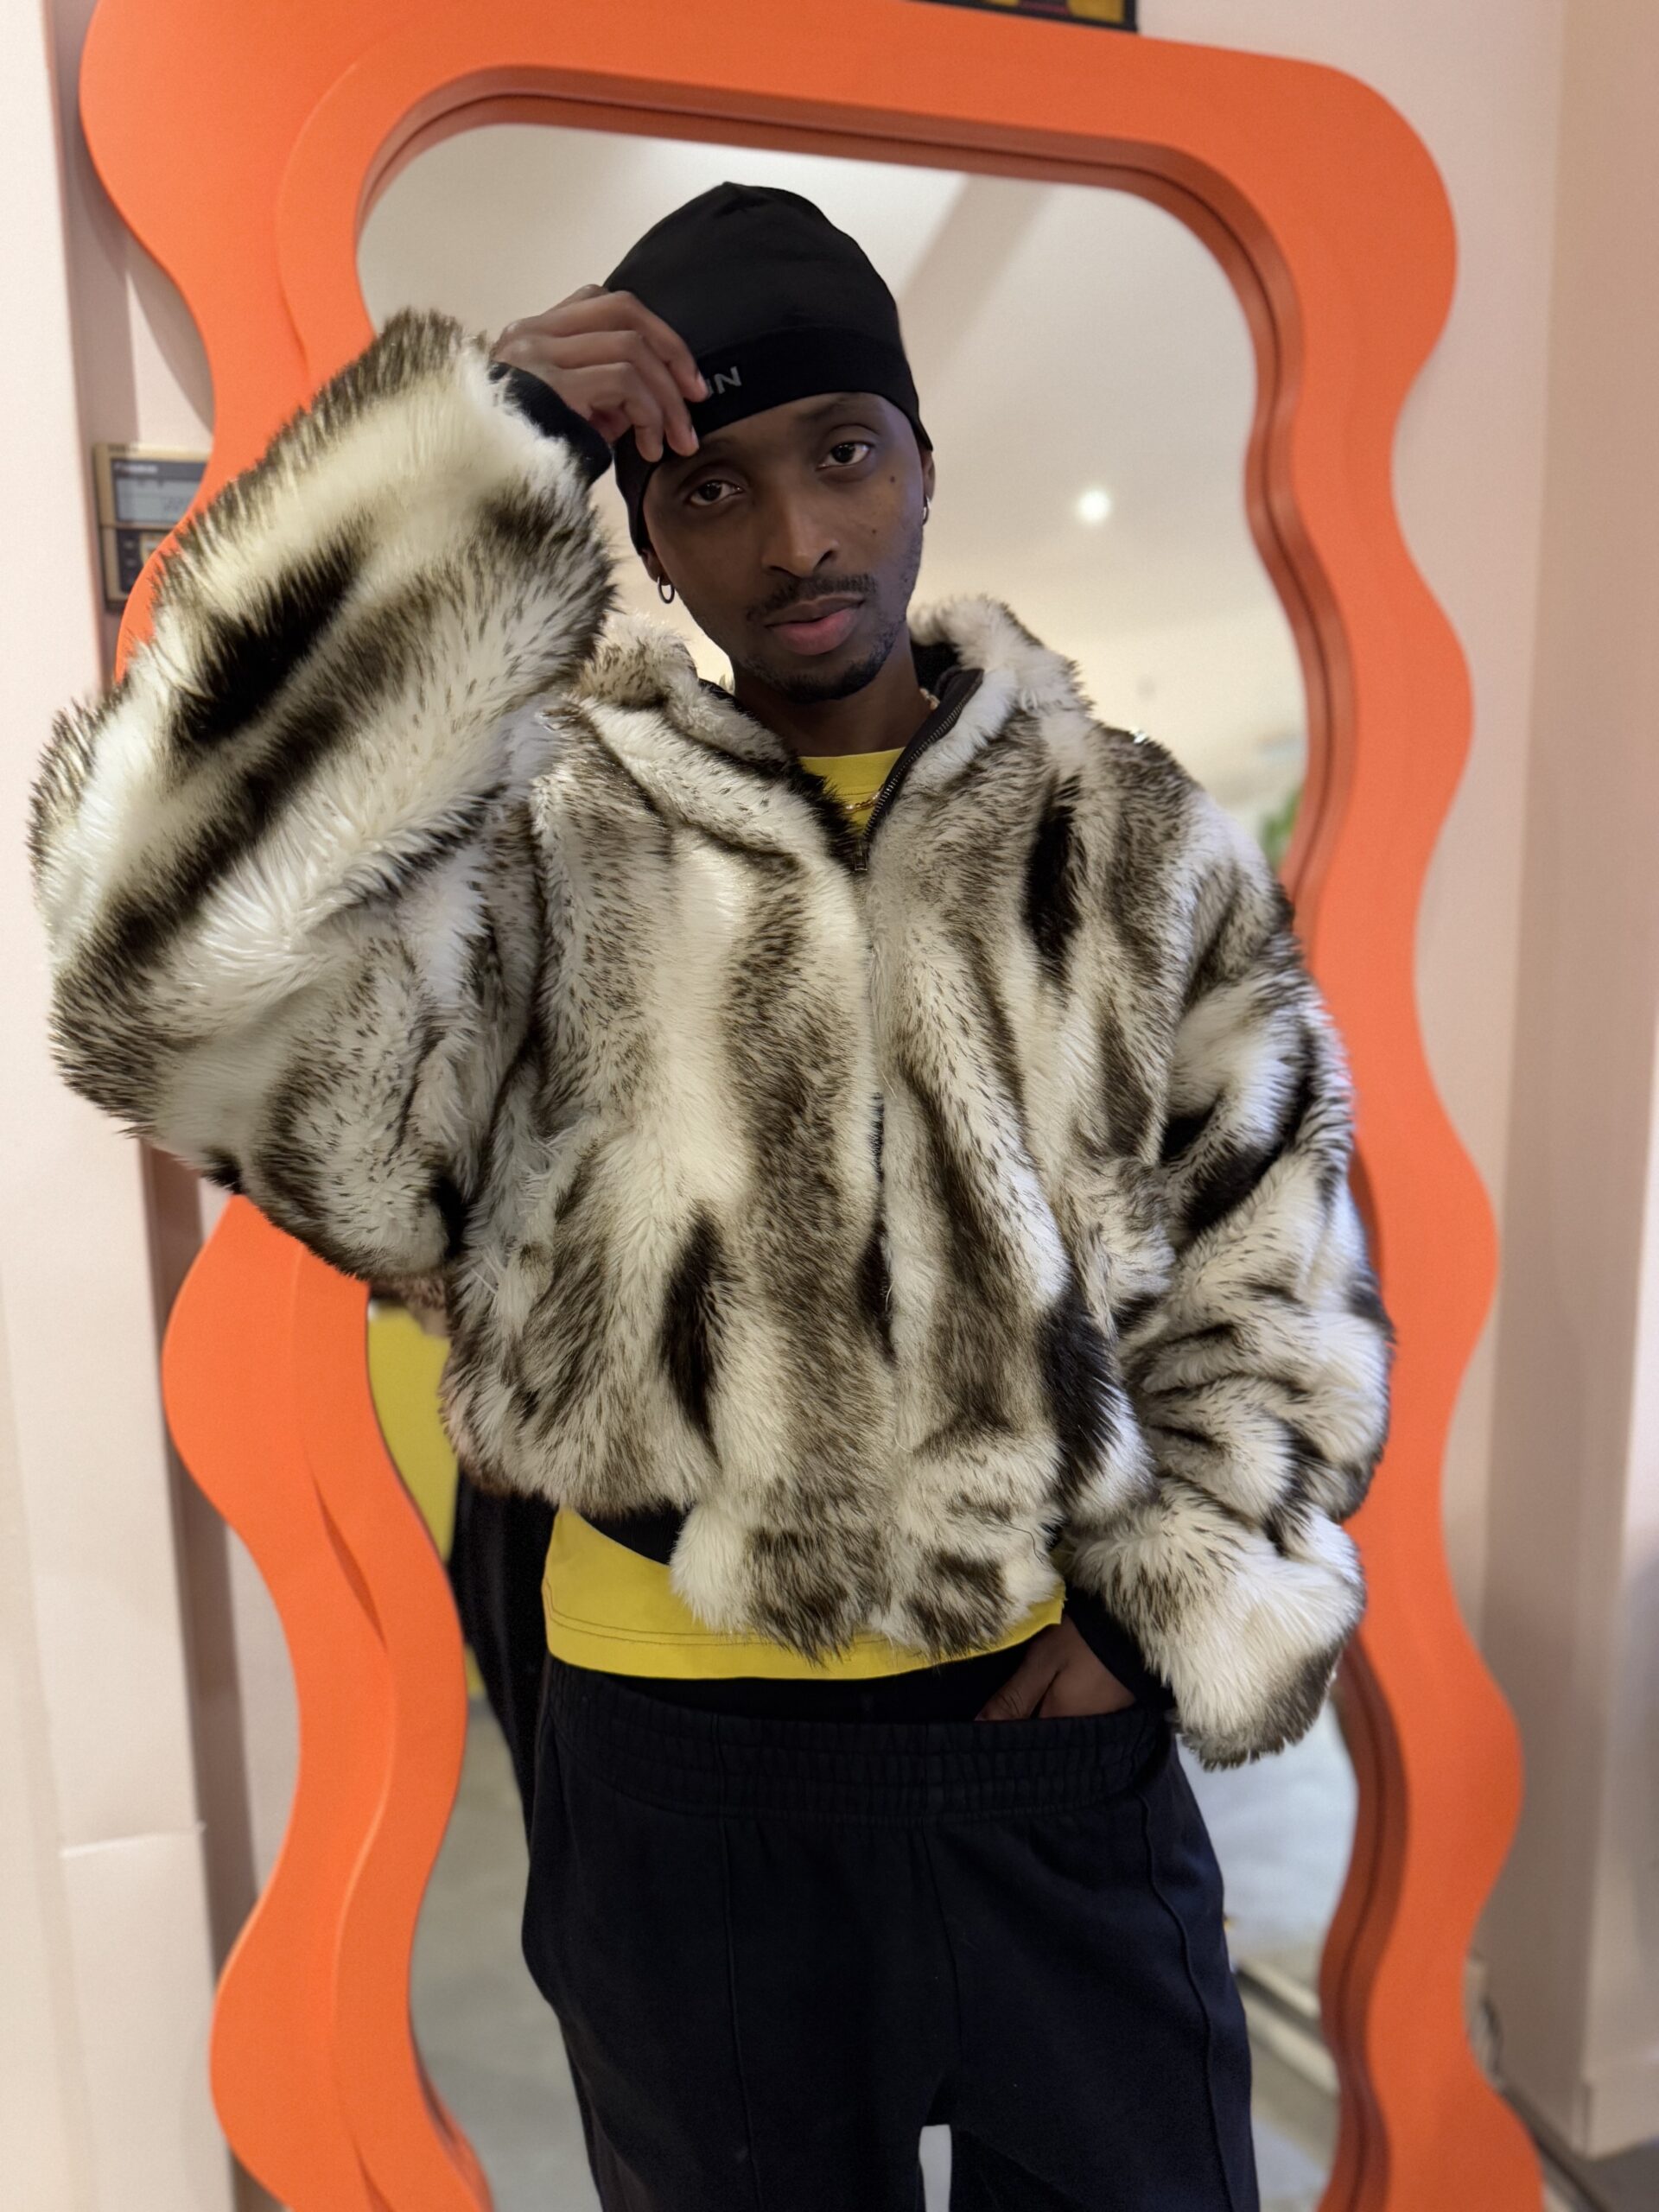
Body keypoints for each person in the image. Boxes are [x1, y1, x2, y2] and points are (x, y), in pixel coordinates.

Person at [29, 181, 1394, 2211]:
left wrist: (1156, 1596)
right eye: (712, 489)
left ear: (923, 459)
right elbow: (155, 968)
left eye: (844, 454)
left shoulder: (1125, 837)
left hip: (1044, 1728)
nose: (798, 538)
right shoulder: (543, 852)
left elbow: (1268, 1241)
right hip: (677, 1763)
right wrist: (467, 478)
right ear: (645, 537)